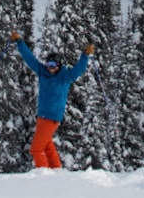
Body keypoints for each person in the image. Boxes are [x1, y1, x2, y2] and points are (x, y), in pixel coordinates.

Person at [10, 31, 94, 168]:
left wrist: (85, 55)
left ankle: (43, 175)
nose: (50, 68)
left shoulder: (65, 76)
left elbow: (78, 69)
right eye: (49, 64)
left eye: (53, 65)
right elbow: (29, 58)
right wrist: (20, 42)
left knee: (36, 149)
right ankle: (56, 172)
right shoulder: (42, 72)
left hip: (52, 118)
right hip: (42, 116)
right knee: (47, 146)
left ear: (59, 65)